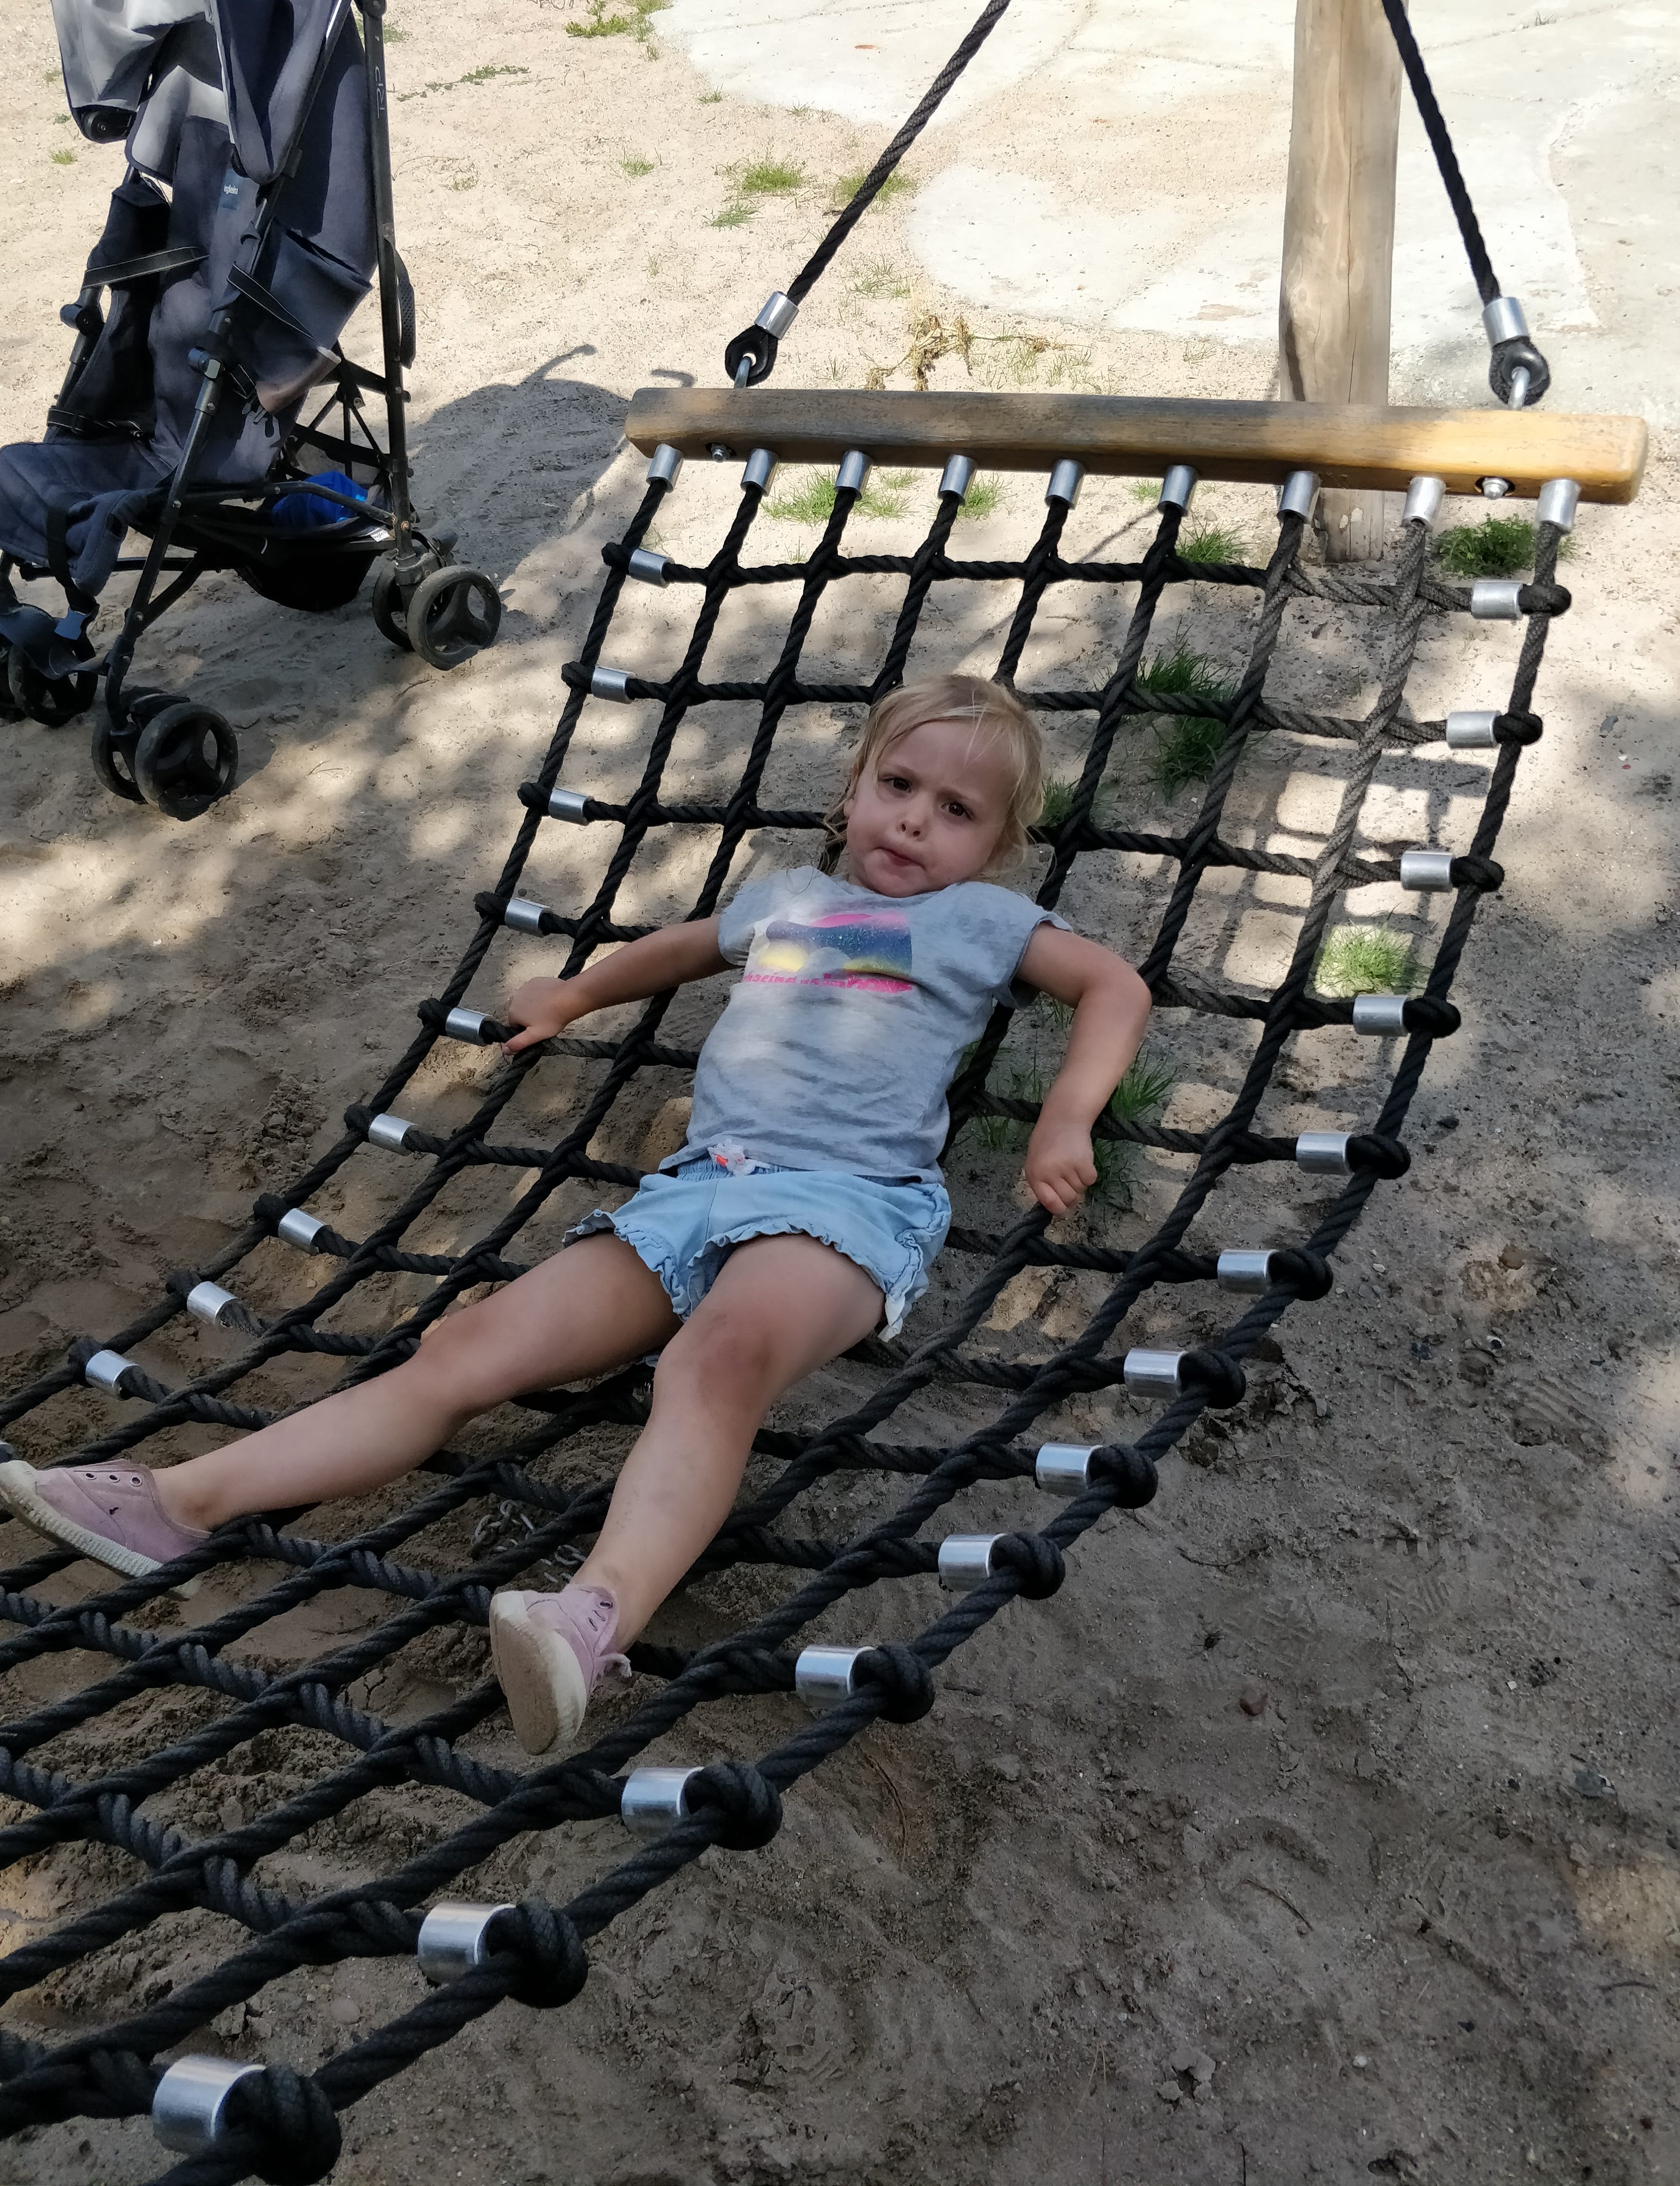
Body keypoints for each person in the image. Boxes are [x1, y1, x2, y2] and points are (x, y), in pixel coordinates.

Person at [0, 674, 1152, 1754]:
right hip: (699, 1187)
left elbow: (1114, 985)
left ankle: (592, 1621)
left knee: (714, 1361)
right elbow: (681, 951)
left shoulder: (982, 919)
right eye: (897, 785)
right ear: (852, 788)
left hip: (847, 1202)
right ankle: (181, 1503)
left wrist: (1066, 1120)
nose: (913, 821)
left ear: (994, 848)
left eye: (956, 811)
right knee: (465, 1346)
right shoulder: (787, 900)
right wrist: (577, 992)